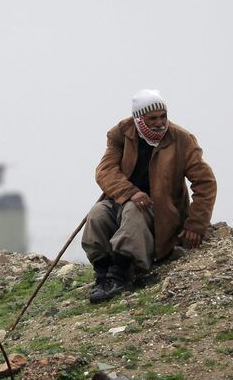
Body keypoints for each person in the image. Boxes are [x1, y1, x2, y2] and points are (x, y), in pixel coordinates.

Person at [81, 89, 217, 303]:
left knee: (135, 210)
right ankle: (102, 275)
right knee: (97, 214)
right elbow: (105, 170)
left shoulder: (181, 140)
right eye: (152, 118)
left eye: (163, 116)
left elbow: (205, 182)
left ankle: (120, 274)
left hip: (163, 212)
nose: (160, 123)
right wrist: (130, 192)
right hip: (124, 200)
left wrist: (195, 224)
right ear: (138, 119)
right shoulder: (121, 135)